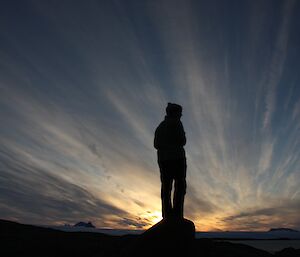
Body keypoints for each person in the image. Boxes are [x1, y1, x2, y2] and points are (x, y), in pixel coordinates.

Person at [154, 103, 187, 220]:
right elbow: (183, 141)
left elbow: (156, 145)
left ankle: (167, 215)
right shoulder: (177, 124)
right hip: (177, 159)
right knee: (180, 186)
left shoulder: (160, 126)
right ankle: (177, 215)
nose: (181, 115)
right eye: (179, 113)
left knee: (166, 187)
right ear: (174, 113)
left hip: (163, 160)